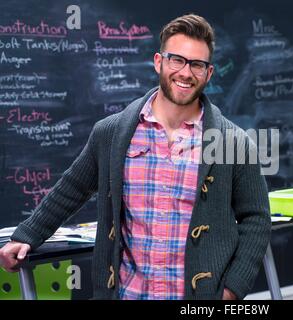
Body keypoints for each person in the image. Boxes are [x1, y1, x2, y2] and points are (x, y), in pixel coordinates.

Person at [0, 14, 271, 300]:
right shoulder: (111, 133)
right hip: (127, 293)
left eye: (197, 64)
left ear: (209, 73)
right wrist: (26, 235)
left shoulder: (233, 142)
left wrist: (231, 291)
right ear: (159, 62)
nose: (186, 72)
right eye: (177, 59)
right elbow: (72, 188)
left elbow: (256, 218)